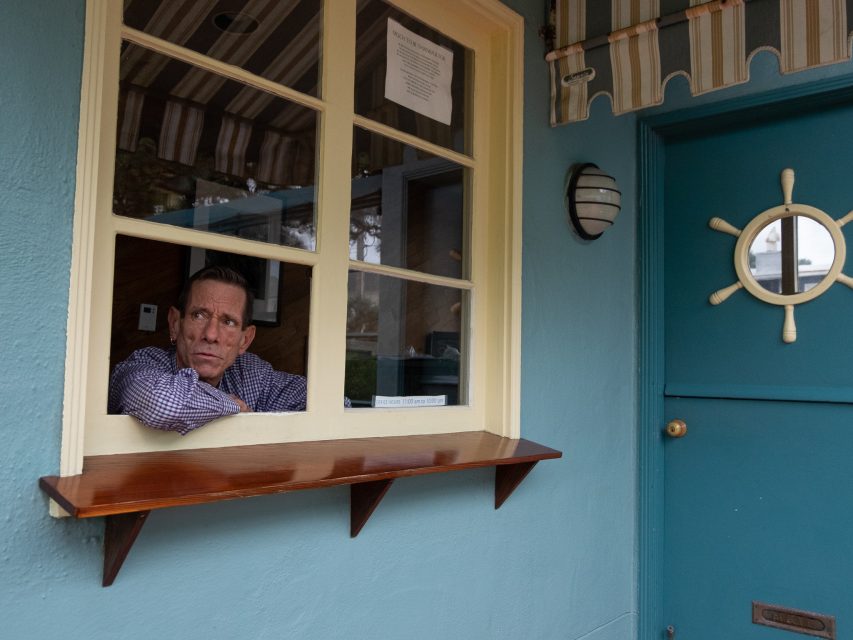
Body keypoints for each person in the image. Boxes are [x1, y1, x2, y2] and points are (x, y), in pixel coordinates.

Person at [109, 265, 330, 434]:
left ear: (245, 340)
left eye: (228, 322)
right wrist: (232, 406)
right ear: (175, 323)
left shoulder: (251, 373)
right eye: (199, 315)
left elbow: (329, 402)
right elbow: (161, 404)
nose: (211, 334)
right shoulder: (144, 363)